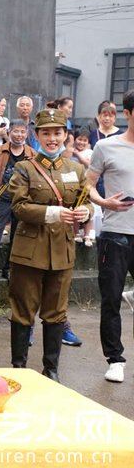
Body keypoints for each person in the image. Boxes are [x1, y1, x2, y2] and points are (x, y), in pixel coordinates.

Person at [7, 108, 91, 382]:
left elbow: (84, 201)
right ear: (37, 135)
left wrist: (85, 213)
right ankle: (18, 367)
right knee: (23, 310)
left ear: (65, 135)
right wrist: (53, 213)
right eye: (46, 133)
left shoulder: (76, 169)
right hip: (29, 251)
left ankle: (51, 370)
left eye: (57, 133)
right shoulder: (24, 168)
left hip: (62, 251)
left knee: (56, 313)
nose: (52, 139)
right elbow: (18, 207)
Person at [86, 90, 134, 383]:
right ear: (127, 113)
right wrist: (104, 203)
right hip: (116, 233)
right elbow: (87, 186)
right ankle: (115, 359)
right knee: (111, 300)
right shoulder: (106, 147)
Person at [0, 119, 35, 279]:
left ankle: (10, 267)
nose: (19, 135)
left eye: (22, 132)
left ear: (26, 134)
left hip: (22, 198)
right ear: (9, 132)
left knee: (18, 233)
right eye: (16, 131)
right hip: (2, 196)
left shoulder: (32, 154)